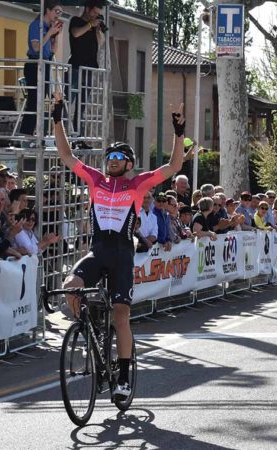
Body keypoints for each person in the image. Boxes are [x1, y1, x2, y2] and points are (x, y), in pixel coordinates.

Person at [54, 93, 186, 401]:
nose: (112, 161)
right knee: (70, 286)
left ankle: (123, 376)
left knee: (121, 314)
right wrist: (57, 119)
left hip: (123, 256)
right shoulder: (95, 180)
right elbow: (66, 155)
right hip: (98, 251)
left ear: (129, 164)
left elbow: (174, 165)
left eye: (118, 157)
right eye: (109, 157)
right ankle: (89, 330)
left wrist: (178, 133)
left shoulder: (137, 184)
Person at [20, 0, 64, 137]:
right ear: (48, 10)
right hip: (34, 65)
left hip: (46, 64)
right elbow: (36, 47)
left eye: (60, 12)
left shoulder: (48, 27)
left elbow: (53, 51)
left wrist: (56, 35)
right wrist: (49, 33)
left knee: (42, 100)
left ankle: (35, 132)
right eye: (56, 11)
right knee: (34, 100)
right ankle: (26, 133)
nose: (58, 14)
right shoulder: (36, 25)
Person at [67, 0, 106, 133]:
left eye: (98, 14)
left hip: (89, 70)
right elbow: (75, 33)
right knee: (67, 102)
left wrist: (98, 30)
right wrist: (89, 24)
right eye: (94, 12)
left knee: (82, 106)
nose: (95, 16)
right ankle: (61, 132)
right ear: (87, 9)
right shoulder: (76, 21)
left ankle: (78, 135)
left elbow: (100, 43)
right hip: (75, 68)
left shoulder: (94, 27)